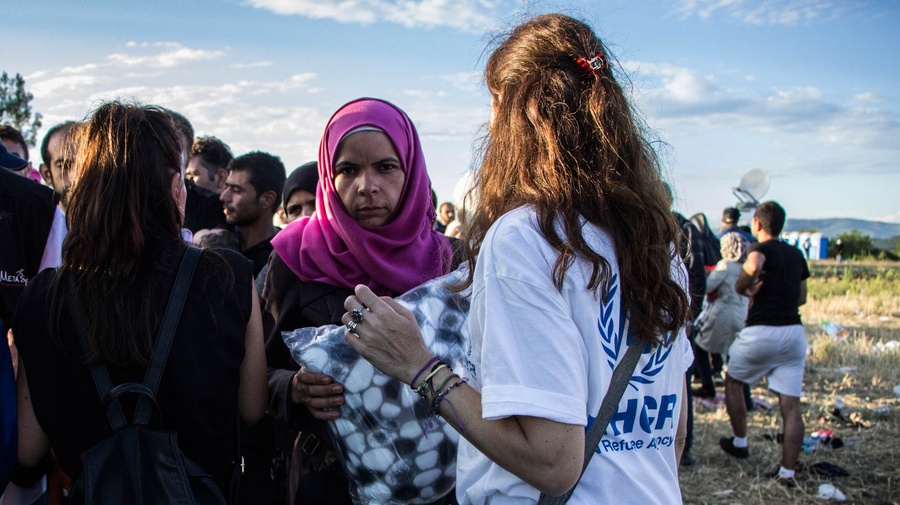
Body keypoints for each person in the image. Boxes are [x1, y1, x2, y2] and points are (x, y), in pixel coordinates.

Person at [342, 15, 692, 503]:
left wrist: (419, 366)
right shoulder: (659, 242)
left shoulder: (527, 239)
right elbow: (672, 430)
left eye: (493, 104)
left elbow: (553, 462)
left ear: (514, 112)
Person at [11, 101, 267, 499]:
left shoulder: (42, 298)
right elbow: (252, 409)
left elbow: (28, 449)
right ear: (173, 188)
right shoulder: (228, 275)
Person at [262, 97, 454, 504]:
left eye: (386, 167)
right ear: (329, 178)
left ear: (412, 170)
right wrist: (292, 388)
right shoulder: (294, 258)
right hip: (327, 482)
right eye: (348, 170)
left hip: (445, 482)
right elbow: (255, 370)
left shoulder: (453, 260)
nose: (367, 186)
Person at [719, 201, 810, 487]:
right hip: (793, 333)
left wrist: (744, 285)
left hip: (761, 330)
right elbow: (802, 297)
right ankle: (787, 473)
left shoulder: (757, 250)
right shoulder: (796, 254)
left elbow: (754, 265)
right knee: (791, 406)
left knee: (733, 380)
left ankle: (741, 440)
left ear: (757, 224)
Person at [692, 233, 750, 398]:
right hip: (741, 316)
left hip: (723, 315)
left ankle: (707, 386)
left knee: (701, 347)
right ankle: (745, 397)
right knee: (736, 357)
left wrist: (706, 274)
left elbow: (708, 287)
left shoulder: (725, 265)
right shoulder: (744, 266)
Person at [221, 151, 286, 276]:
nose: (224, 197)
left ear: (267, 199)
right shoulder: (222, 240)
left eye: (236, 190)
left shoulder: (280, 261)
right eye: (226, 187)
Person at [38, 121, 79, 212]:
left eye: (86, 164)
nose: (75, 175)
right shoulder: (33, 224)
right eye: (64, 166)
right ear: (47, 174)